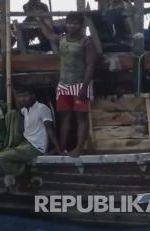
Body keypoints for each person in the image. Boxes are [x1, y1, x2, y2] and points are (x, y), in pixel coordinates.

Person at [39, 12, 97, 156]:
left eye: (76, 23)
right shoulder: (62, 39)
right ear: (66, 23)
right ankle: (62, 148)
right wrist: (40, 19)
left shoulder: (86, 42)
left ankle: (79, 148)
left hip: (79, 85)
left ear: (81, 26)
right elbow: (49, 35)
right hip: (63, 84)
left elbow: (91, 65)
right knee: (64, 117)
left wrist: (84, 87)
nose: (72, 26)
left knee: (81, 117)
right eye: (70, 23)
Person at [0, 87, 61, 187]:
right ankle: (22, 170)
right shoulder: (24, 110)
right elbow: (20, 112)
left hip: (36, 146)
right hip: (26, 143)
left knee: (2, 158)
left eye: (25, 96)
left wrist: (58, 150)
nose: (23, 99)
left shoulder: (42, 108)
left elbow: (50, 130)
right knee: (5, 150)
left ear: (33, 96)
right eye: (20, 96)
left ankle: (24, 178)